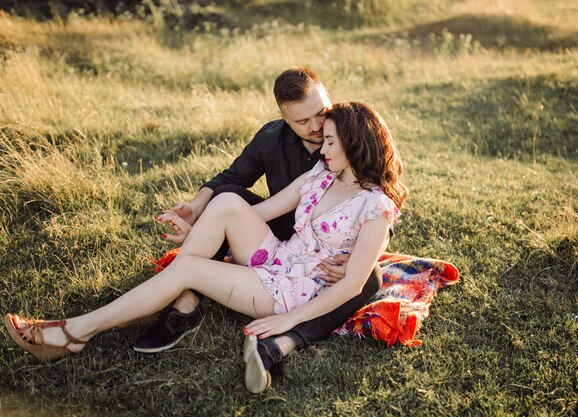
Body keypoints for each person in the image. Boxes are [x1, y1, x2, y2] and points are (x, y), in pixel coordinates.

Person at [5, 101, 408, 394]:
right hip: (282, 258)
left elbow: (354, 283)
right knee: (229, 201)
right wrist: (198, 222)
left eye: (332, 142)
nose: (323, 148)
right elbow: (264, 210)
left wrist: (291, 320)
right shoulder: (322, 173)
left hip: (291, 292)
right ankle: (176, 295)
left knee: (185, 269)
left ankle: (76, 332)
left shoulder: (376, 207)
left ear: (356, 144)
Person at [133, 67, 384, 378]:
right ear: (283, 116)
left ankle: (290, 338)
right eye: (302, 121)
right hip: (278, 230)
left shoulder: (347, 132)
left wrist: (353, 258)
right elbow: (230, 178)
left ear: (328, 97)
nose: (317, 126)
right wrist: (196, 210)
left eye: (320, 113)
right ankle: (185, 303)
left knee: (370, 276)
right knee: (227, 193)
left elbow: (375, 203)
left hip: (329, 245)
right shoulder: (271, 138)